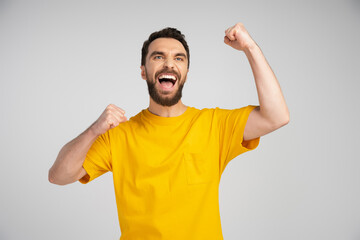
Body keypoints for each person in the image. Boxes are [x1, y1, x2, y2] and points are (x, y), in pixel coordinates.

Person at [49, 22, 289, 239]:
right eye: (158, 57)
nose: (169, 64)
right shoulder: (119, 135)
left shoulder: (214, 125)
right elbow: (58, 175)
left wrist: (250, 48)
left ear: (185, 73)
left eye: (179, 58)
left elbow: (276, 116)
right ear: (143, 71)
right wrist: (93, 131)